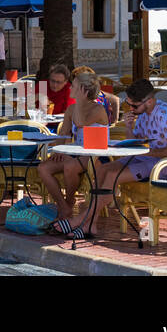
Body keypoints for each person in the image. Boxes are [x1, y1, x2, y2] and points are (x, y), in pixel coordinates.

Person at [57, 78, 167, 240]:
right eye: (129, 104)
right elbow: (136, 142)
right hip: (147, 159)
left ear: (149, 101)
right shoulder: (142, 113)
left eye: (134, 105)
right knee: (104, 169)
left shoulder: (164, 114)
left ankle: (82, 220)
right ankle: (90, 224)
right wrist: (129, 128)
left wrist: (145, 153)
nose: (131, 109)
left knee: (113, 176)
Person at [37, 71, 110, 224]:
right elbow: (64, 134)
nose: (70, 89)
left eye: (74, 87)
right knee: (44, 168)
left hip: (96, 153)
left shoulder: (98, 110)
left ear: (84, 90)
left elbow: (81, 122)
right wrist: (58, 149)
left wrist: (80, 102)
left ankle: (69, 201)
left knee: (70, 166)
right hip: (76, 150)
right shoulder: (71, 110)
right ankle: (63, 206)